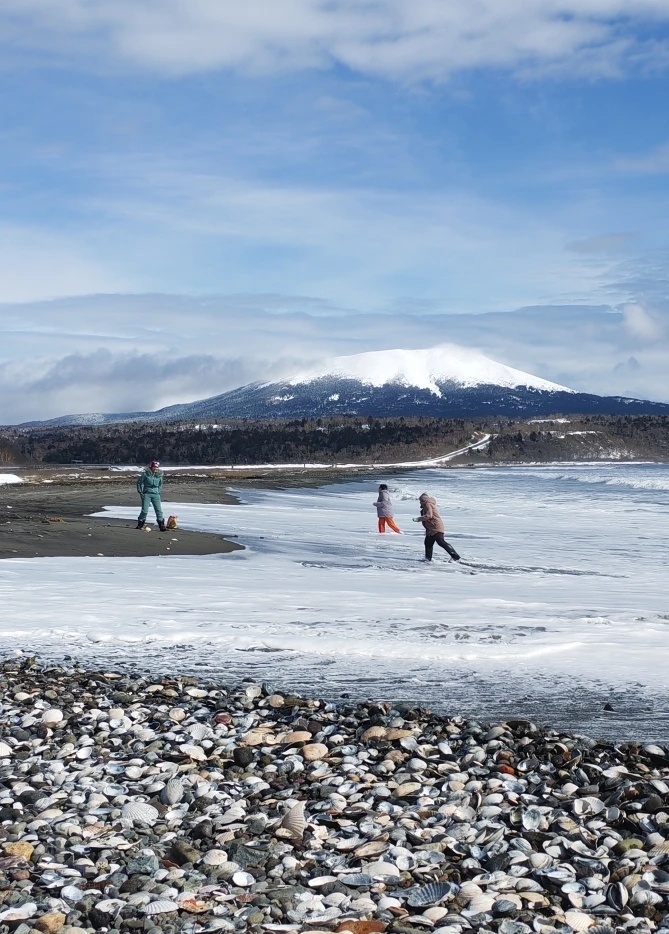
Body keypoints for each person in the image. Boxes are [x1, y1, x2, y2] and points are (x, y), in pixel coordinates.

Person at [413, 492, 460, 562]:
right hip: (431, 529)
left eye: (421, 501)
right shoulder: (427, 506)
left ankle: (455, 556)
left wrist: (418, 519)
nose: (420, 502)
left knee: (440, 541)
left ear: (424, 500)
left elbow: (429, 515)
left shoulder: (428, 505)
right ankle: (428, 559)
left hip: (436, 527)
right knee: (428, 543)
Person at [136, 460, 166, 531]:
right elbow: (139, 483)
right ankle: (140, 523)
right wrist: (140, 492)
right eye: (154, 467)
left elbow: (160, 484)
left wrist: (158, 491)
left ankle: (161, 525)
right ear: (151, 467)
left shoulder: (159, 475)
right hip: (147, 494)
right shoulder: (146, 474)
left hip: (156, 494)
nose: (155, 468)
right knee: (144, 510)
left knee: (158, 510)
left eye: (157, 467)